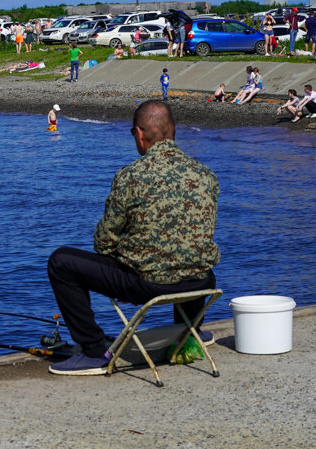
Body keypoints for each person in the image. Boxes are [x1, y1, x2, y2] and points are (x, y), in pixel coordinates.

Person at [47, 100, 220, 375]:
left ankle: (93, 351)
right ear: (173, 131)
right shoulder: (206, 175)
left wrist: (125, 267)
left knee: (60, 261)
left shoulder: (131, 176)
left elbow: (103, 242)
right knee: (191, 256)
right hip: (200, 282)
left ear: (139, 134)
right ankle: (188, 333)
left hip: (147, 286)